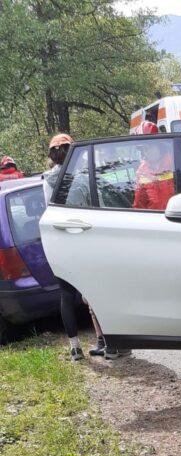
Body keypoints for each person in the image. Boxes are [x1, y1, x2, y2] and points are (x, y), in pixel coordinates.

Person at [42, 133, 88, 360]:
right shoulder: (83, 176)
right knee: (94, 290)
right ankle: (108, 342)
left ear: (53, 154)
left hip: (60, 242)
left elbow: (48, 210)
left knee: (66, 294)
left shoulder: (46, 180)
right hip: (85, 238)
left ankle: (75, 347)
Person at [133, 130, 177, 211]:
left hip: (177, 216)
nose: (147, 151)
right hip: (155, 219)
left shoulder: (174, 162)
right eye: (144, 149)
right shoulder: (142, 171)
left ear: (159, 146)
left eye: (150, 147)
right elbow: (139, 204)